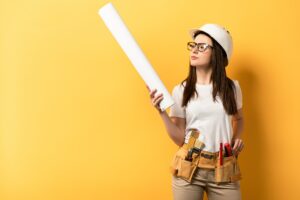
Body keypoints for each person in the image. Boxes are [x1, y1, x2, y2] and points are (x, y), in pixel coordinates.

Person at [146, 23, 244, 200]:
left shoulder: (232, 88)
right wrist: (161, 112)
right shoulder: (181, 90)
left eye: (202, 46)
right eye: (193, 45)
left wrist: (236, 139)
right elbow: (179, 138)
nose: (194, 50)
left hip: (224, 165)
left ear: (218, 53)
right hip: (189, 163)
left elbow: (239, 119)